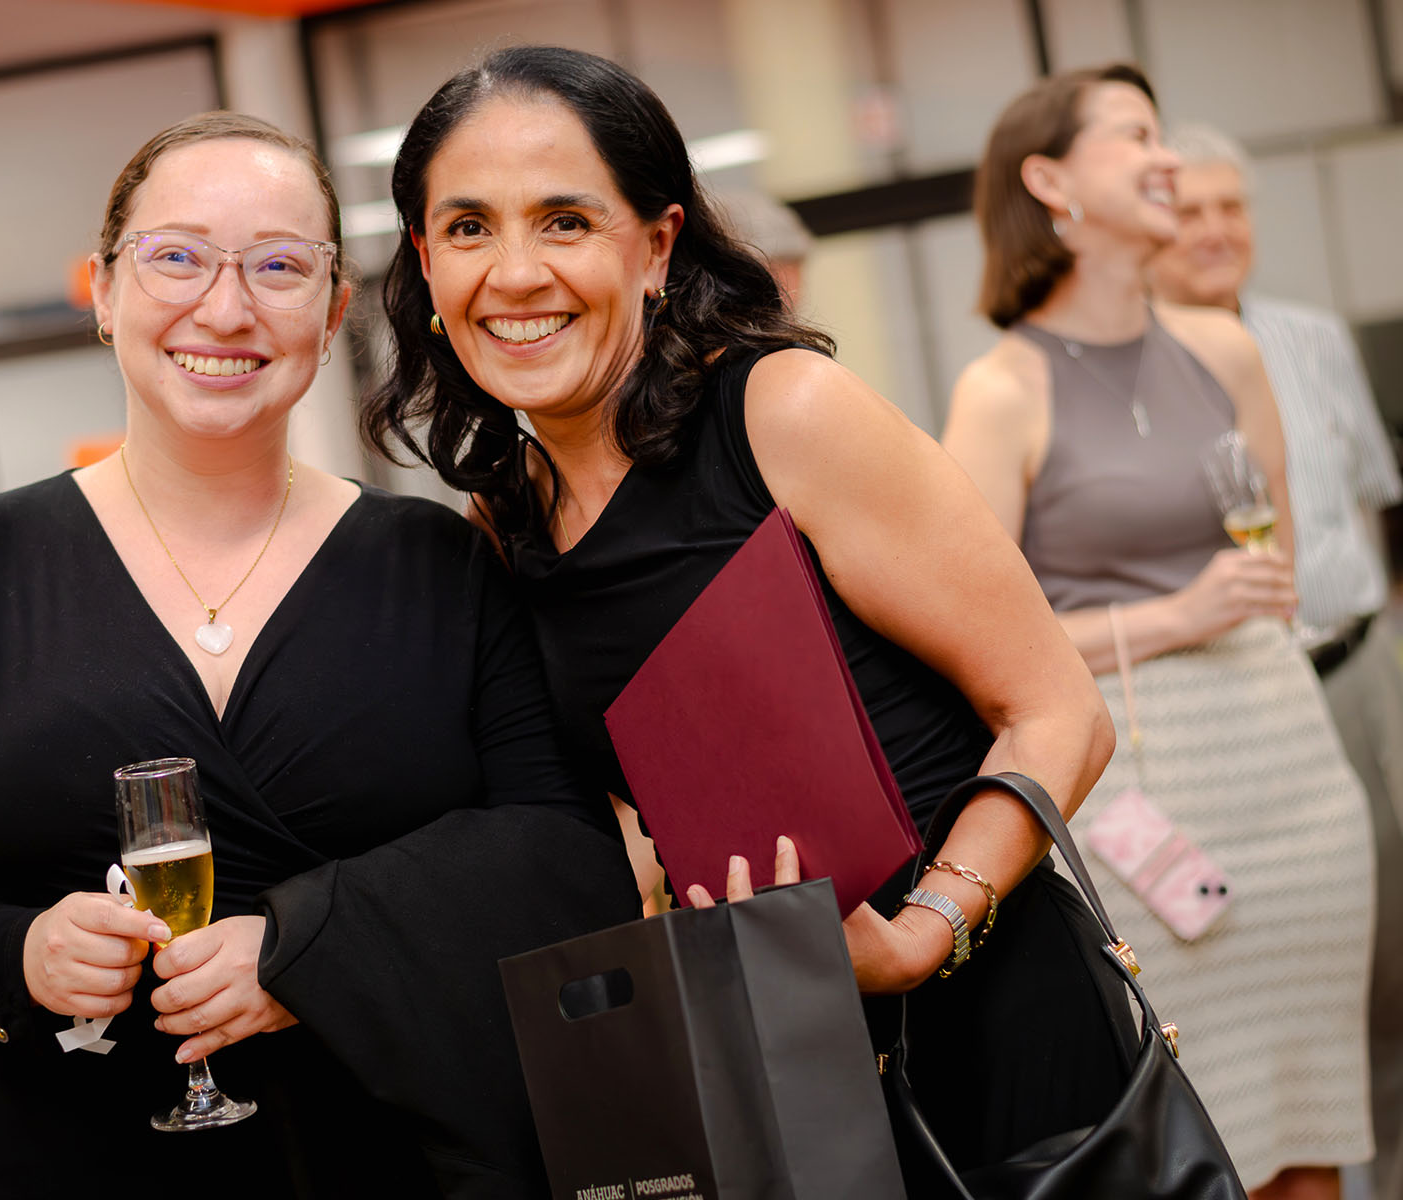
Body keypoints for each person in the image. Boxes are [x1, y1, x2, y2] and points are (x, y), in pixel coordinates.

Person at [0, 110, 639, 1199]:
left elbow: (565, 857)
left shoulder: (438, 562)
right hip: (70, 1161)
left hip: (391, 1156)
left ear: (334, 310)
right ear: (103, 292)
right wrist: (22, 957)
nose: (226, 306)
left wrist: (308, 952)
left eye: (280, 266)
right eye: (178, 258)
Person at [362, 44, 1139, 1185]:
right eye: (470, 228)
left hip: (991, 1015)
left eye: (566, 222)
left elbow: (1060, 713)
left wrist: (922, 937)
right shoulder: (505, 513)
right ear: (426, 265)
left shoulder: (782, 410)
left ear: (658, 245)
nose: (514, 273)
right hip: (770, 1046)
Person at [941, 67, 1376, 1199]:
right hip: (1139, 774)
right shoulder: (999, 391)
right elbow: (975, 638)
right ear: (1051, 181)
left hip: (1287, 758)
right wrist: (1174, 615)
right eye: (1136, 136)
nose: (1169, 159)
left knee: (1313, 1109)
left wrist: (1238, 596)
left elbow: (1263, 549)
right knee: (1200, 1123)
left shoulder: (1227, 353)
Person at [1146, 120, 1403, 1200]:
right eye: (1189, 211)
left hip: (1364, 665)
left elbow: (1368, 501)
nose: (1214, 232)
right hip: (1244, 697)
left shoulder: (1311, 335)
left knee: (1389, 933)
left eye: (1230, 208)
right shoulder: (1138, 369)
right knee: (1286, 964)